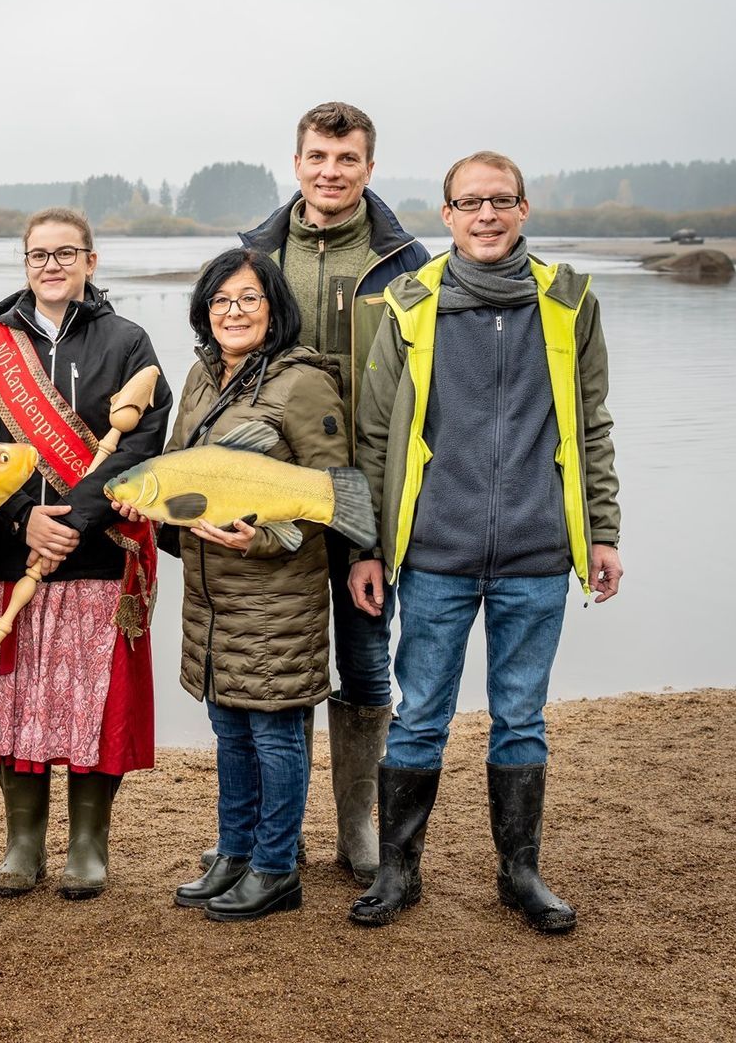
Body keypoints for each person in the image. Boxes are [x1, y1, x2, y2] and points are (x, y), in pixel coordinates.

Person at [346, 151, 623, 933]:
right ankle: (399, 874)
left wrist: (602, 533)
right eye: (470, 203)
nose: (487, 216)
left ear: (525, 209)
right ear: (447, 216)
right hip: (434, 553)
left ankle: (520, 874)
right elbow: (375, 439)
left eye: (501, 201)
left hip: (537, 556)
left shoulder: (569, 302)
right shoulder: (408, 303)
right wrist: (368, 547)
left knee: (522, 716)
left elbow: (592, 425)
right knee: (421, 714)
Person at [116, 247, 349, 923]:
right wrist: (149, 503)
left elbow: (335, 495)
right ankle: (234, 850)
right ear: (204, 310)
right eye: (221, 300)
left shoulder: (302, 384)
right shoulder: (200, 376)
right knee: (231, 731)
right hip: (212, 597)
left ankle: (277, 867)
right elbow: (181, 468)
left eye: (248, 299)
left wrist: (268, 537)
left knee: (275, 735)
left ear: (274, 306)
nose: (234, 312)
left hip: (278, 596)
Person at [0, 207, 170, 900]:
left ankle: (88, 845)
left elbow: (141, 442)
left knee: (92, 707)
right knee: (12, 700)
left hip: (97, 557)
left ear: (90, 263)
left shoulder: (129, 342)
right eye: (38, 254)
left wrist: (76, 516)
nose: (51, 265)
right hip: (4, 556)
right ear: (25, 264)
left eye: (65, 253)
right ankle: (22, 844)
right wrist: (22, 520)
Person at [234, 101, 430, 885]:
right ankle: (258, 835)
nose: (330, 172)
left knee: (364, 655)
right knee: (267, 657)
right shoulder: (257, 251)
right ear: (297, 162)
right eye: (318, 157)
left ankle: (359, 831)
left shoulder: (408, 264)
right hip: (272, 481)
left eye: (346, 160)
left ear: (369, 169)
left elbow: (424, 387)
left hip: (367, 486)